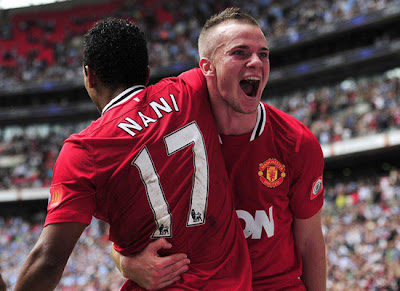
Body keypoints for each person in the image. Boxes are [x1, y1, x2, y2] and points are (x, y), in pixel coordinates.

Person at [14, 18, 252, 291]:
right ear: (147, 72)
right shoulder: (192, 87)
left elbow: (49, 260)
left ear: (90, 76)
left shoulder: (84, 150)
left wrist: (123, 261)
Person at [114, 7, 327, 291]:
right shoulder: (166, 139)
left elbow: (310, 241)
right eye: (240, 52)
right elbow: (124, 239)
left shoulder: (297, 142)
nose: (256, 62)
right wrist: (127, 264)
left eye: (263, 54)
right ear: (207, 67)